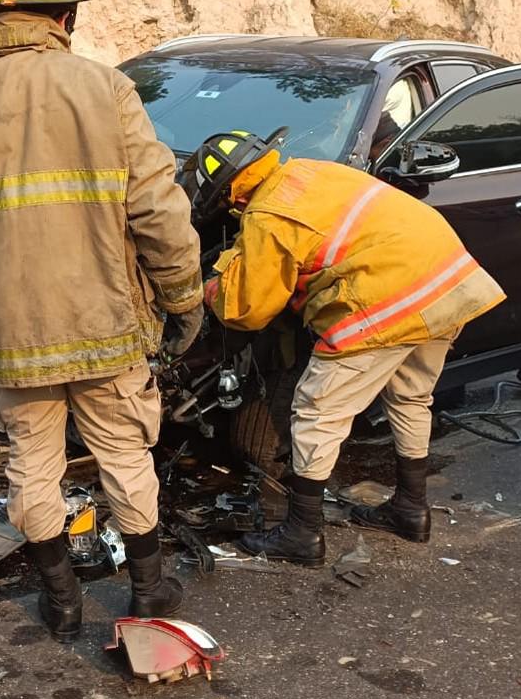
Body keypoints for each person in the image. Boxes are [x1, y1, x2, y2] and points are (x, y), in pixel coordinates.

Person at [0, 0, 203, 641]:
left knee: (31, 469)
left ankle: (62, 598)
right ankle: (149, 590)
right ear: (65, 17)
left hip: (11, 337)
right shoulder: (106, 89)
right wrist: (184, 296)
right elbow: (159, 211)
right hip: (107, 323)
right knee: (125, 456)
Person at [199, 131, 505, 565]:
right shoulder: (313, 171)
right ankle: (410, 509)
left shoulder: (267, 212)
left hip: (386, 294)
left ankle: (302, 533)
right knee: (411, 396)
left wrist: (210, 285)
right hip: (444, 279)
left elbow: (246, 308)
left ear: (229, 190)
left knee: (317, 411)